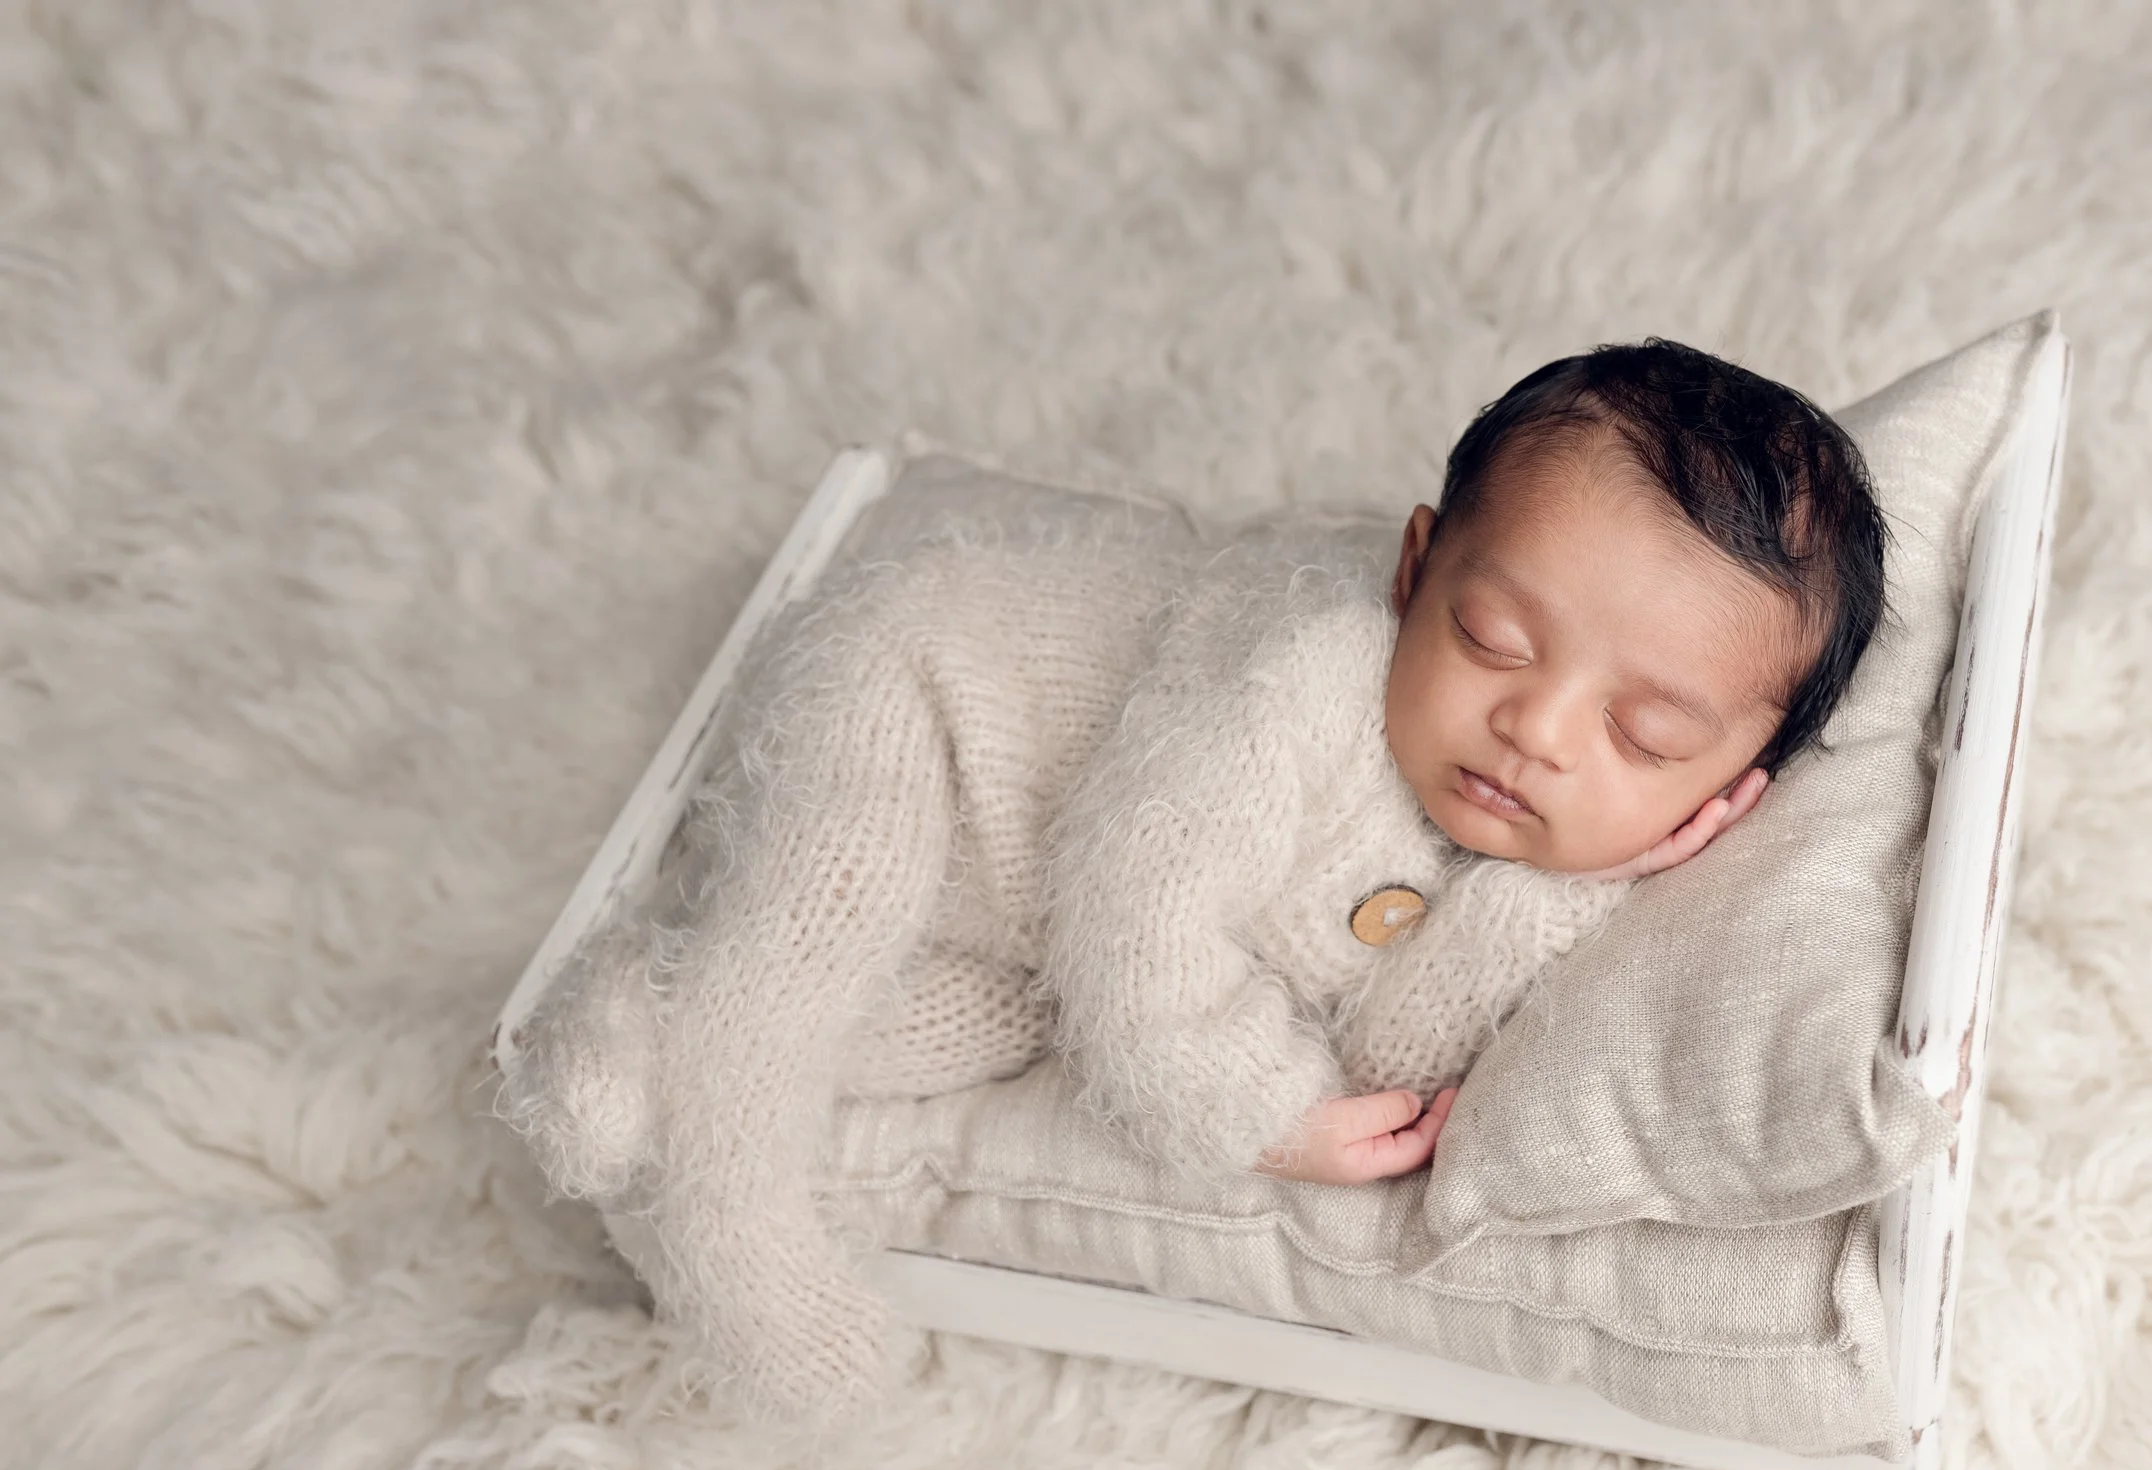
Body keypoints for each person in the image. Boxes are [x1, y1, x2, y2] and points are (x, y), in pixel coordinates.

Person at [501, 338, 1886, 1415]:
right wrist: (1263, 1112)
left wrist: (1579, 879)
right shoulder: (1297, 675)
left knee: (1004, 1025)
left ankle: (638, 1017)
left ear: (1727, 788)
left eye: (1642, 737)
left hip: (1021, 903)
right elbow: (1137, 927)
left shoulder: (1520, 820)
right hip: (925, 690)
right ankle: (722, 1208)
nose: (1536, 728)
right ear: (1414, 570)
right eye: (1494, 638)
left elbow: (1395, 1036)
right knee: (820, 933)